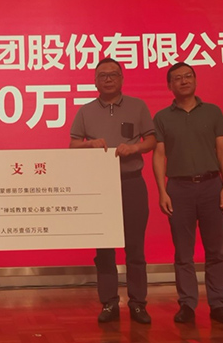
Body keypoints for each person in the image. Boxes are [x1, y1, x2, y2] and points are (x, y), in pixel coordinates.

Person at [69, 57, 157, 324]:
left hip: (131, 182)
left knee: (135, 247)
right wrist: (90, 144)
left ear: (122, 79)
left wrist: (134, 148)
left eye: (113, 74)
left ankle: (138, 303)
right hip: (100, 187)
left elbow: (152, 140)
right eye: (102, 75)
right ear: (95, 82)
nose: (108, 79)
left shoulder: (138, 106)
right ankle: (109, 302)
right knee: (104, 248)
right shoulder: (85, 111)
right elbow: (73, 146)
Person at [152, 62, 223, 325]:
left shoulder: (213, 112)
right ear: (170, 85)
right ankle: (187, 304)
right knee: (183, 253)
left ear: (196, 80)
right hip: (179, 188)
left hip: (212, 186)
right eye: (177, 78)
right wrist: (162, 191)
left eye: (188, 76)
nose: (184, 81)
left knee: (216, 251)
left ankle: (218, 304)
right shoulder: (162, 117)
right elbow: (159, 155)